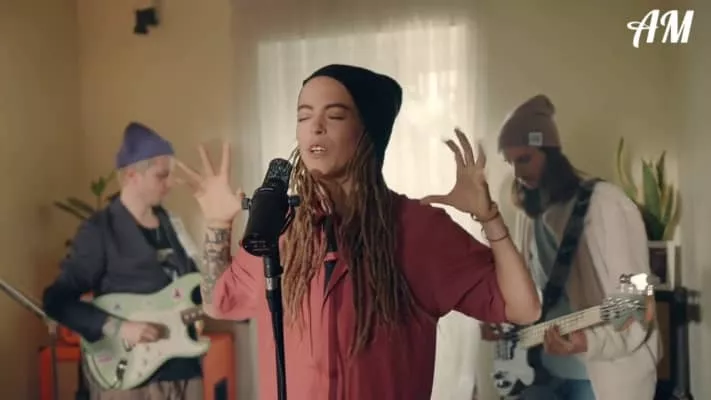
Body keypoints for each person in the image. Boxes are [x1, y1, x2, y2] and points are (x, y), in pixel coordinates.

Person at [177, 64, 540, 399]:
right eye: (304, 116)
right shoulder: (281, 227)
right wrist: (217, 224)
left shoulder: (418, 229)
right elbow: (218, 302)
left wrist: (489, 218)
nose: (315, 127)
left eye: (334, 116)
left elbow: (522, 308)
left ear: (368, 132)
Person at [484, 94, 660, 400]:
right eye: (510, 162)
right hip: (544, 372)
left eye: (524, 159)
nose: (518, 174)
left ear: (550, 153)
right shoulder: (531, 214)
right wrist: (504, 320)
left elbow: (635, 302)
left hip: (602, 379)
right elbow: (533, 294)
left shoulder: (608, 205)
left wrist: (588, 342)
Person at [42, 122, 204, 400]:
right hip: (130, 378)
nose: (169, 185)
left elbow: (196, 289)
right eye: (161, 176)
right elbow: (56, 300)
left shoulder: (172, 225)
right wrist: (119, 328)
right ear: (132, 176)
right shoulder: (99, 230)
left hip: (183, 371)